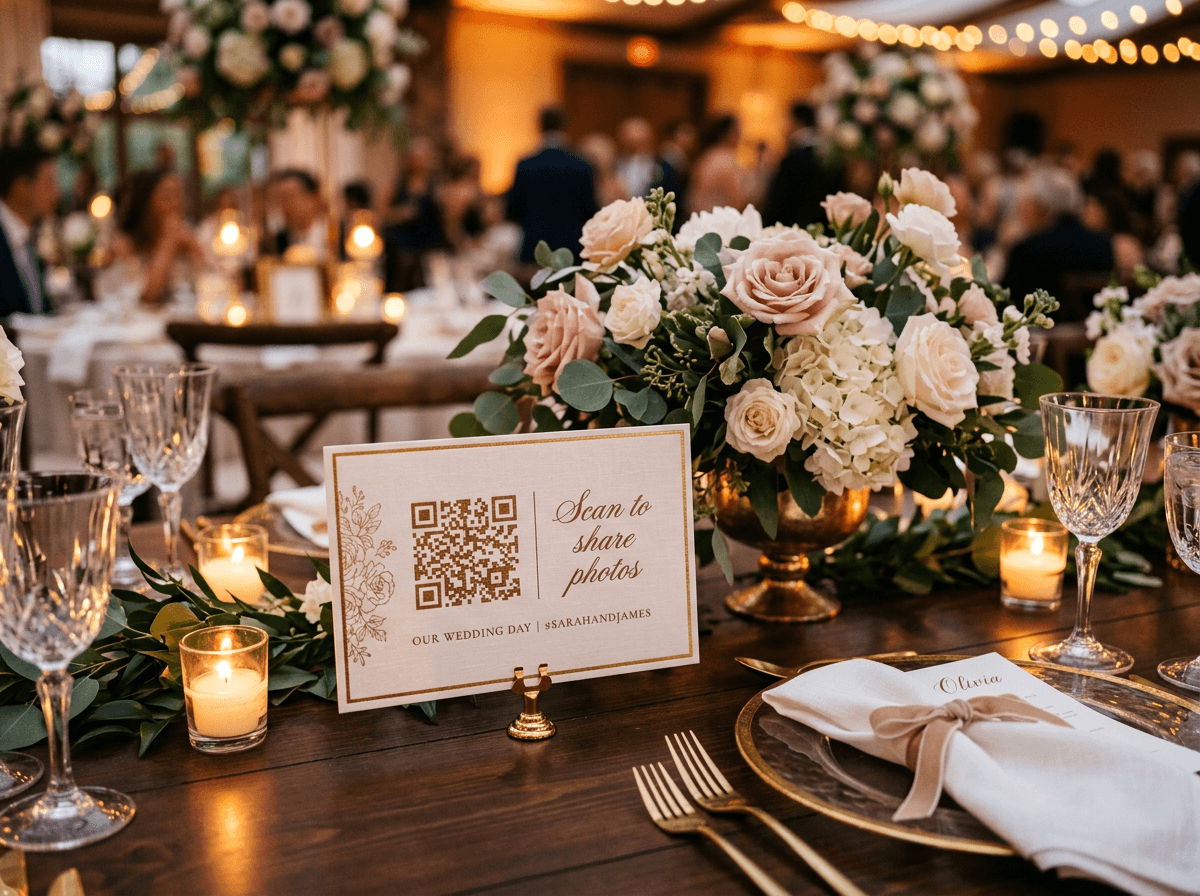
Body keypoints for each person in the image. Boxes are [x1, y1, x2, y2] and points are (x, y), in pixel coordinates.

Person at [1002, 167, 1113, 322]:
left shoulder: (1028, 248)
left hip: (1038, 339)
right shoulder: (1103, 244)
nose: (1023, 210)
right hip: (1092, 338)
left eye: (1028, 203)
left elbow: (1006, 305)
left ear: (1040, 207)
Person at [506, 107, 598, 265]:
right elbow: (589, 209)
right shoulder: (582, 165)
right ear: (564, 125)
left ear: (539, 126)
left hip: (535, 248)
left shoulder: (525, 165)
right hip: (572, 249)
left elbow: (513, 209)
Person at [102, 167, 203, 308]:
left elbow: (212, 285)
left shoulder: (186, 238)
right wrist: (168, 244)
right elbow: (147, 296)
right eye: (167, 197)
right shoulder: (123, 246)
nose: (176, 203)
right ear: (145, 202)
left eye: (179, 196)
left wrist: (195, 248)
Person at [0, 146, 58, 316]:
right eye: (48, 183)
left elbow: (38, 311)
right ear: (20, 187)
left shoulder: (24, 234)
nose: (56, 192)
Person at [762, 102, 829, 229]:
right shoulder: (828, 155)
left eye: (787, 119)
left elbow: (779, 203)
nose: (784, 125)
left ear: (799, 120)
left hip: (792, 229)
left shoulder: (794, 156)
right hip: (821, 229)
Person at [688, 114, 753, 214]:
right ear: (729, 134)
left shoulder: (707, 156)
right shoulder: (727, 160)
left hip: (698, 215)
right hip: (717, 219)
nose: (740, 137)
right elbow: (739, 197)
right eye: (738, 132)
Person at [614, 117, 681, 202]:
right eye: (631, 147)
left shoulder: (666, 170)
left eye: (641, 144)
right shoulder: (612, 168)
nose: (637, 154)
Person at [271, 169, 329, 263]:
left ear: (313, 198)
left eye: (290, 197)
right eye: (280, 199)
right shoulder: (279, 240)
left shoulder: (333, 234)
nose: (285, 205)